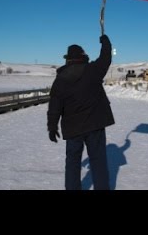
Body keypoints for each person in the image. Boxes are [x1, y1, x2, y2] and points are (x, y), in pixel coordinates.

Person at [47, 34, 115, 190]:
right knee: (98, 162)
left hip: (73, 129)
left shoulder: (60, 80)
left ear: (68, 59)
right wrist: (105, 42)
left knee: (72, 164)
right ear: (82, 56)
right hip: (95, 125)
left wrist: (52, 127)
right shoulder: (93, 70)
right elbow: (106, 58)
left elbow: (54, 107)